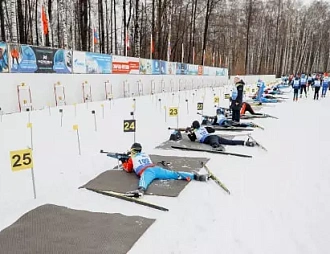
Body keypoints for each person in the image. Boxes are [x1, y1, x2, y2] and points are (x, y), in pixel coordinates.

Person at [120, 143, 209, 198]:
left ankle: (140, 191)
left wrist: (123, 162)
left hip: (147, 171)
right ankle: (195, 176)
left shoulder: (132, 157)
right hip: (156, 169)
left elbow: (128, 169)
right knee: (174, 174)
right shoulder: (145, 154)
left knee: (144, 181)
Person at [187, 120, 256, 149]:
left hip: (209, 138)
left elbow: (192, 139)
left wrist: (189, 133)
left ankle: (216, 146)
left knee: (214, 142)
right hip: (213, 136)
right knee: (229, 142)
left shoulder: (195, 132)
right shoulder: (203, 127)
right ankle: (244, 142)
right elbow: (212, 130)